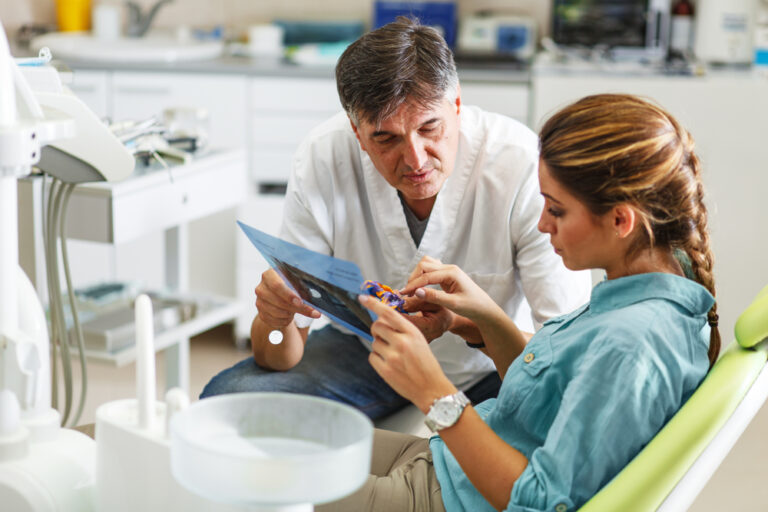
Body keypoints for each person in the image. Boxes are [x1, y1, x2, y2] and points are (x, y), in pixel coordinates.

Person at [318, 93, 721, 511]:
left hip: (446, 500)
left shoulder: (632, 345)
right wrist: (478, 319)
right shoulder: (646, 291)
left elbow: (539, 502)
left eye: (557, 210)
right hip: (446, 468)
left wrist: (434, 394)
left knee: (257, 483)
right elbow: (546, 400)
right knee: (280, 439)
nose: (543, 223)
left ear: (621, 220)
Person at [200, 17, 591, 419]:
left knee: (554, 423)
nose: (416, 160)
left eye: (430, 128)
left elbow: (567, 353)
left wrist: (462, 323)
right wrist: (273, 319)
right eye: (386, 138)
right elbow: (277, 357)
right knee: (228, 399)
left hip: (489, 367)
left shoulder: (521, 164)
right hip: (368, 353)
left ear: (456, 104)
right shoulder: (324, 156)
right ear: (357, 132)